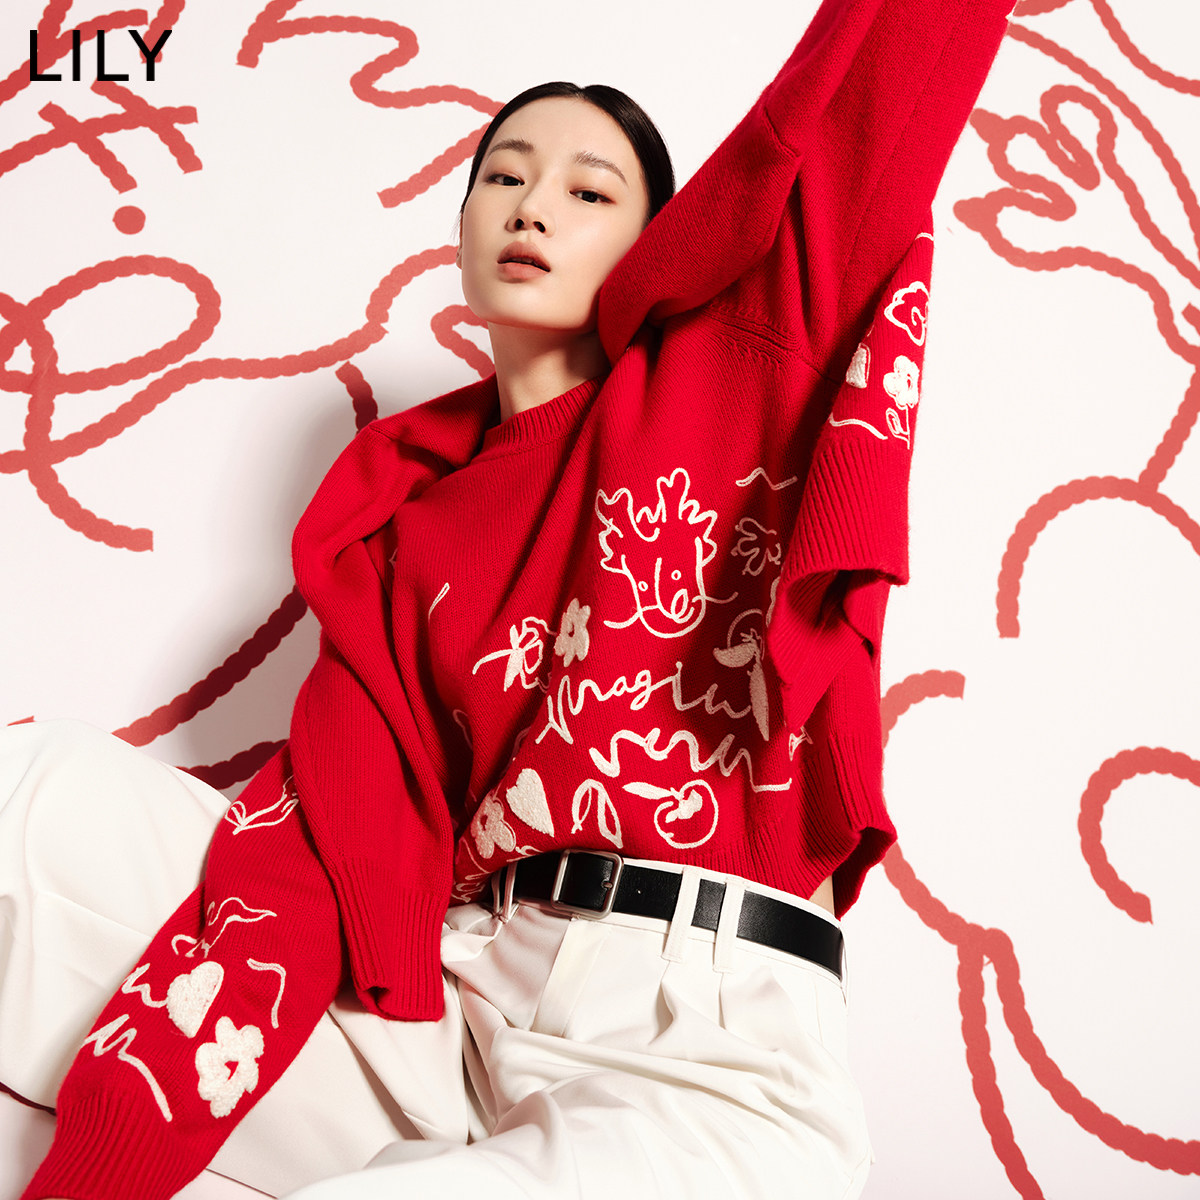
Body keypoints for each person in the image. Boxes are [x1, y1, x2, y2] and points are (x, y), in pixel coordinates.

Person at [4, 1, 1016, 1196]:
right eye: (505, 177)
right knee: (37, 790)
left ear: (662, 242)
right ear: (464, 225)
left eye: (589, 191)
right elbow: (304, 864)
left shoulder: (735, 369)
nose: (532, 207)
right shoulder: (398, 532)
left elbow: (882, 82)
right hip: (456, 1014)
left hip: (696, 1052)